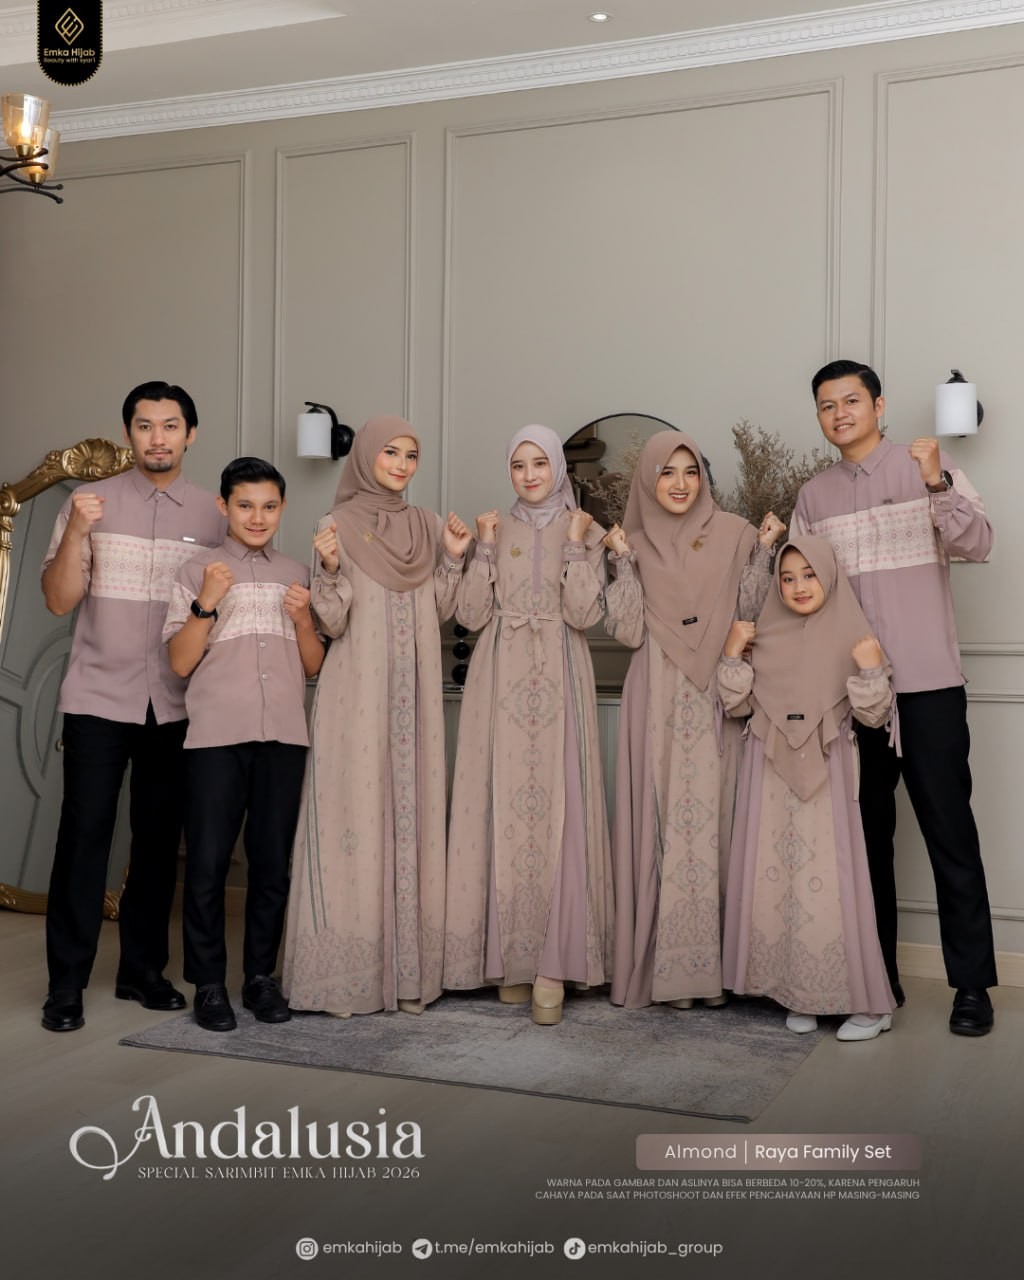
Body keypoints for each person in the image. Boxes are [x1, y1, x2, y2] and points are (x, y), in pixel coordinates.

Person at [792, 359, 997, 1036]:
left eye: (851, 401)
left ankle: (972, 987)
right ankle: (876, 983)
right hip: (853, 698)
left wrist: (936, 481)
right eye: (827, 405)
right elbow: (801, 595)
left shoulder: (926, 466)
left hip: (930, 688)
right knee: (865, 842)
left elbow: (978, 543)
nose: (840, 414)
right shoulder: (813, 497)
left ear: (878, 406)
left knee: (951, 836)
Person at [39, 381, 225, 1032]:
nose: (157, 438)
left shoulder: (214, 516)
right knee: (83, 836)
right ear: (128, 434)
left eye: (170, 425)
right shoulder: (88, 505)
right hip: (97, 697)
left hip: (175, 702)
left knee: (158, 841)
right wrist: (76, 532)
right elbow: (58, 600)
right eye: (145, 426)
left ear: (190, 434)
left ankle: (142, 972)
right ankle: (65, 984)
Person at [281, 417, 472, 1017]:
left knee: (411, 819)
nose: (401, 464)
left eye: (411, 455)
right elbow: (331, 622)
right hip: (354, 696)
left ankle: (410, 976)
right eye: (390, 452)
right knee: (353, 820)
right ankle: (345, 979)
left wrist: (453, 560)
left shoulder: (428, 526)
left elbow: (441, 610)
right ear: (366, 456)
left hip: (416, 701)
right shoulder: (334, 526)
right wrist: (329, 570)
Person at [602, 431, 784, 1010]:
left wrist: (765, 552)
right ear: (648, 480)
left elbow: (755, 614)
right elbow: (627, 631)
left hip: (716, 692)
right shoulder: (632, 544)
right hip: (655, 692)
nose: (680, 484)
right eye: (667, 472)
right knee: (660, 823)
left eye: (690, 472)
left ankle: (714, 971)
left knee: (717, 820)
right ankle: (669, 971)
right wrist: (622, 563)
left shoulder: (737, 534)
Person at [443, 425, 613, 1027]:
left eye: (540, 463)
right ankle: (510, 960)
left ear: (558, 467)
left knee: (560, 812)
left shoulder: (586, 530)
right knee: (501, 809)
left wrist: (576, 546)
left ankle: (553, 965)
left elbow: (585, 613)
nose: (530, 475)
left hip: (561, 671)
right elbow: (469, 614)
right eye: (518, 465)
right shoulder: (493, 527)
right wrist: (484, 548)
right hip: (500, 675)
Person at [163, 458, 325, 1031]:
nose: (258, 517)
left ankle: (260, 978)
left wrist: (302, 620)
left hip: (283, 736)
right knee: (207, 863)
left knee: (272, 864)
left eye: (269, 506)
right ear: (224, 506)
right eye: (245, 505)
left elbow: (312, 665)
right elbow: (180, 663)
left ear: (282, 508)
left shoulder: (296, 572)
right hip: (215, 738)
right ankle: (209, 985)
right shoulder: (196, 571)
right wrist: (206, 601)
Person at [718, 537, 896, 1040]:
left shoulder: (853, 634)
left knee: (832, 883)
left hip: (828, 773)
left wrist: (869, 668)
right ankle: (798, 992)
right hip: (770, 775)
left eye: (810, 574)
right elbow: (736, 706)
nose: (799, 586)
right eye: (787, 577)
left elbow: (874, 714)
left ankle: (870, 1005)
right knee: (781, 882)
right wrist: (732, 655)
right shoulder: (764, 634)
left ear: (829, 576)